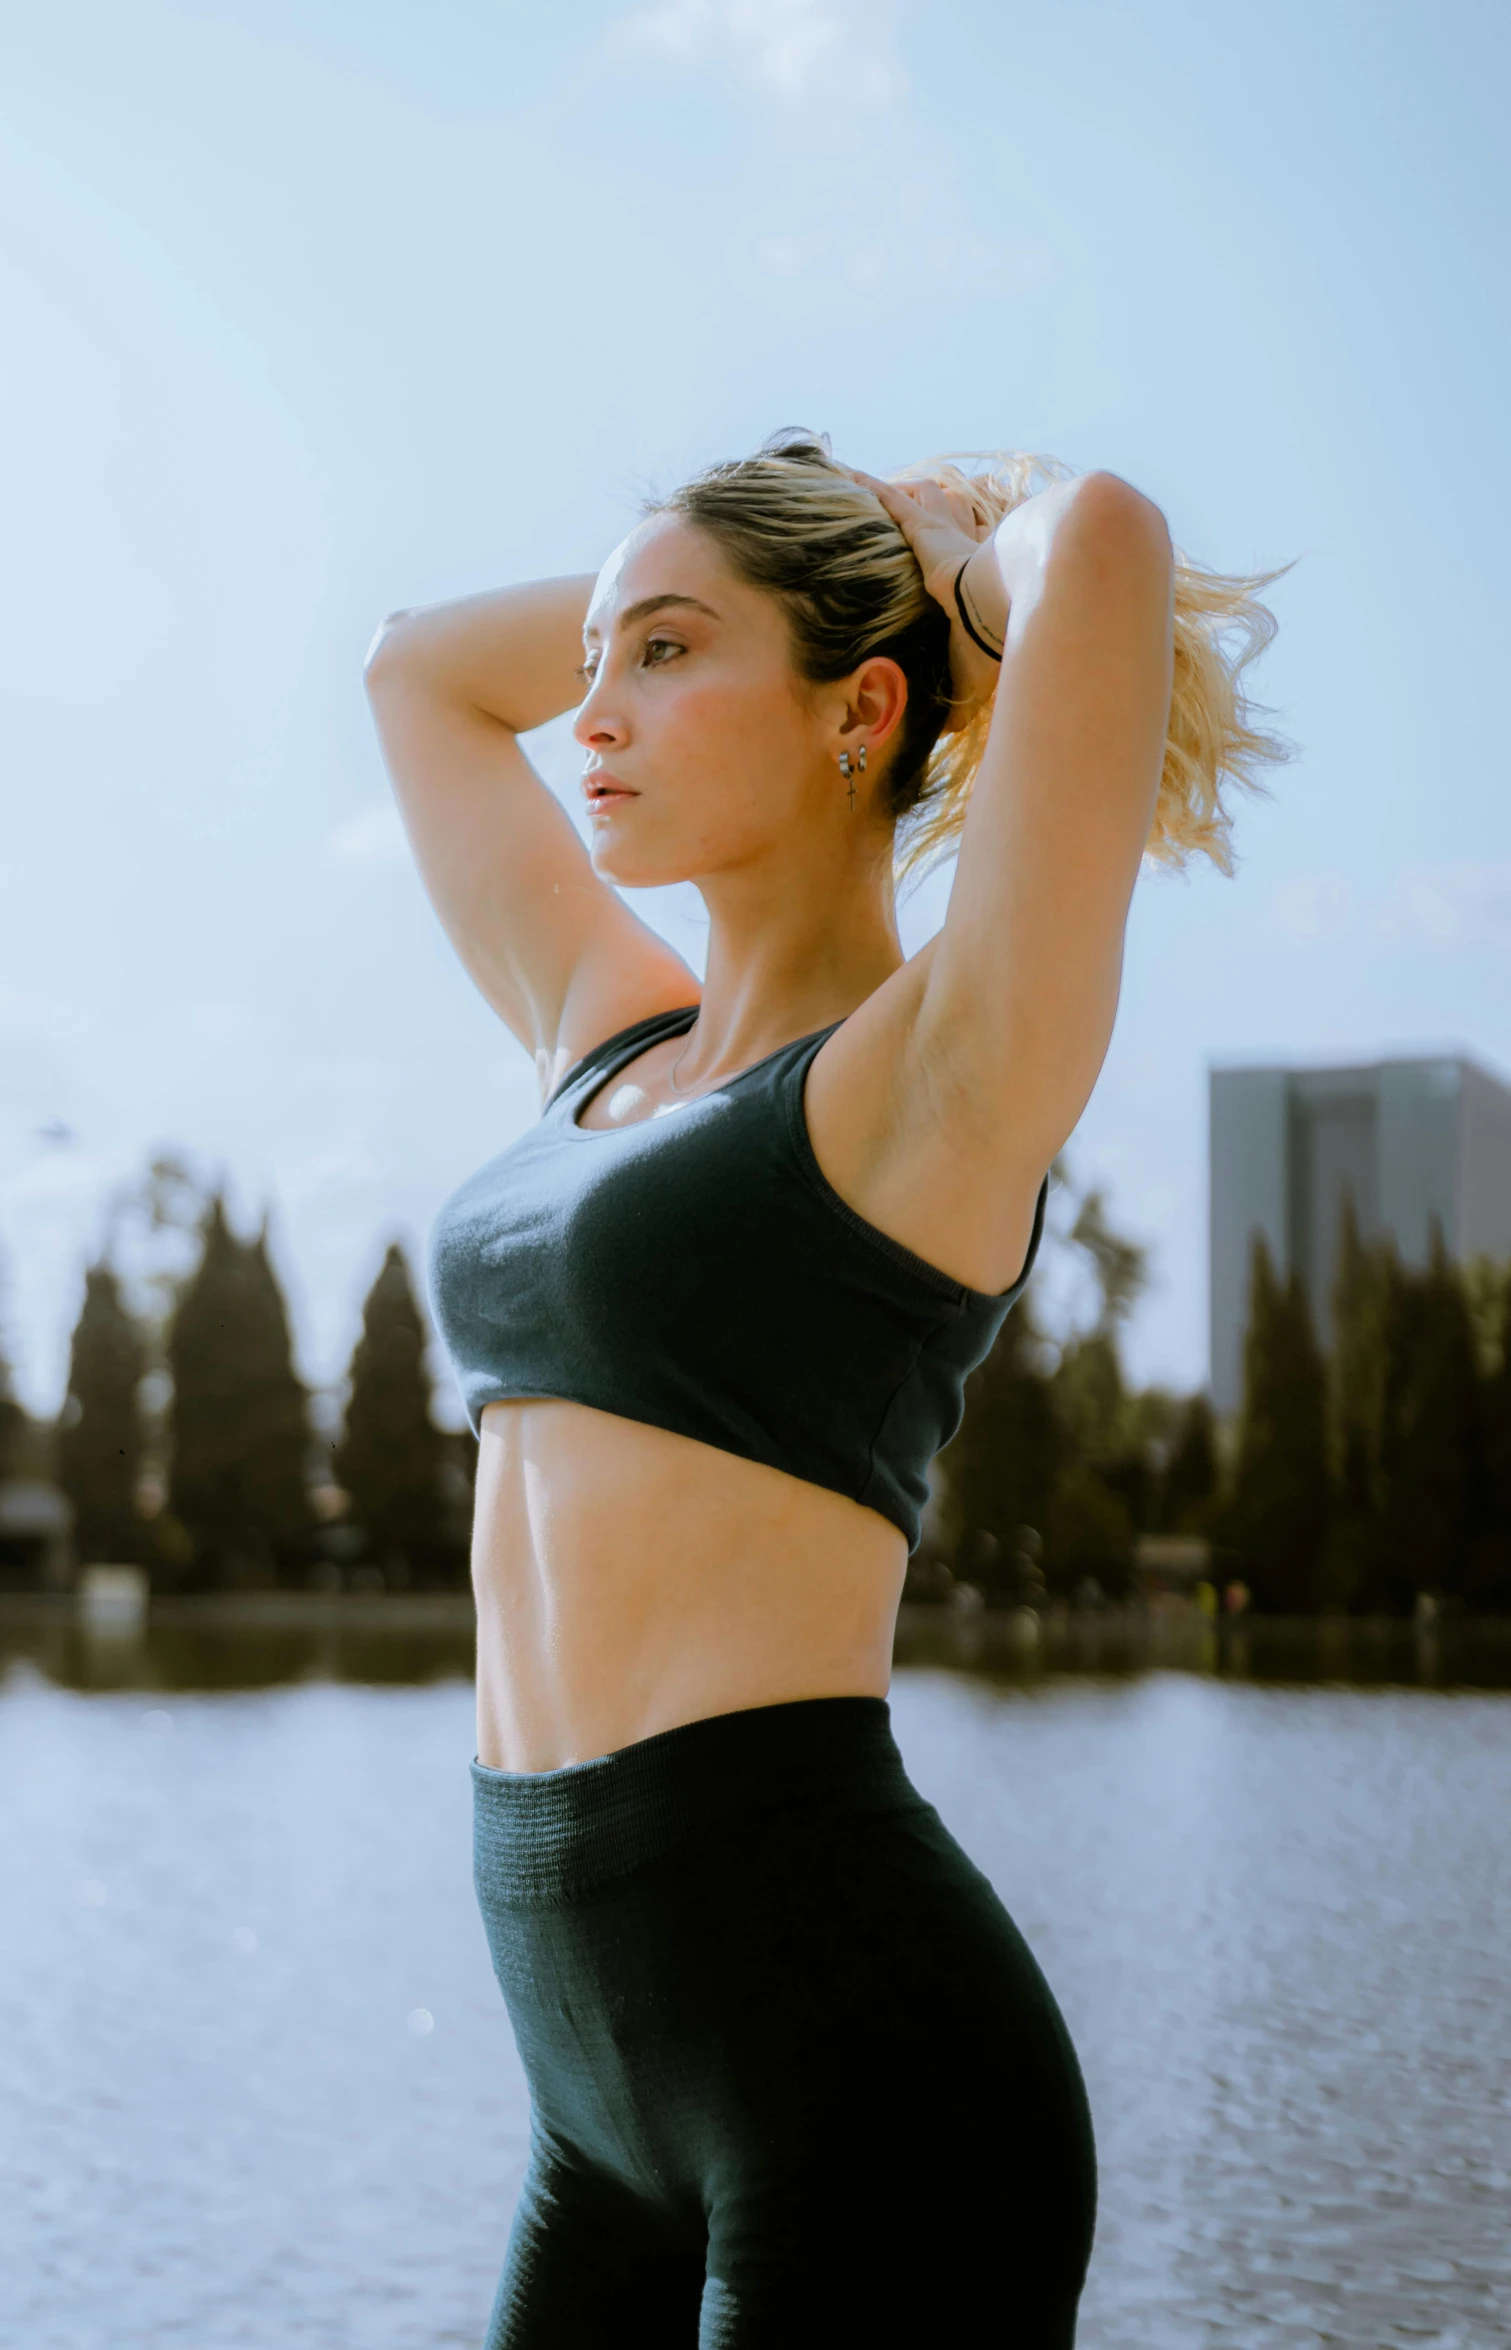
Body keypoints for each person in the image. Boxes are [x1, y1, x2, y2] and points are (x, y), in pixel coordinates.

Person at [364, 433, 1282, 2347]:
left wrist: (928, 569)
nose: (591, 714)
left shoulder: (931, 1079)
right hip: (591, 2111)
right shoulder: (598, 1033)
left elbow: (1101, 542)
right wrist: (693, 596)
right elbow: (418, 671)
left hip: (864, 2090)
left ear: (862, 709)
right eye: (602, 659)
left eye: (666, 659)